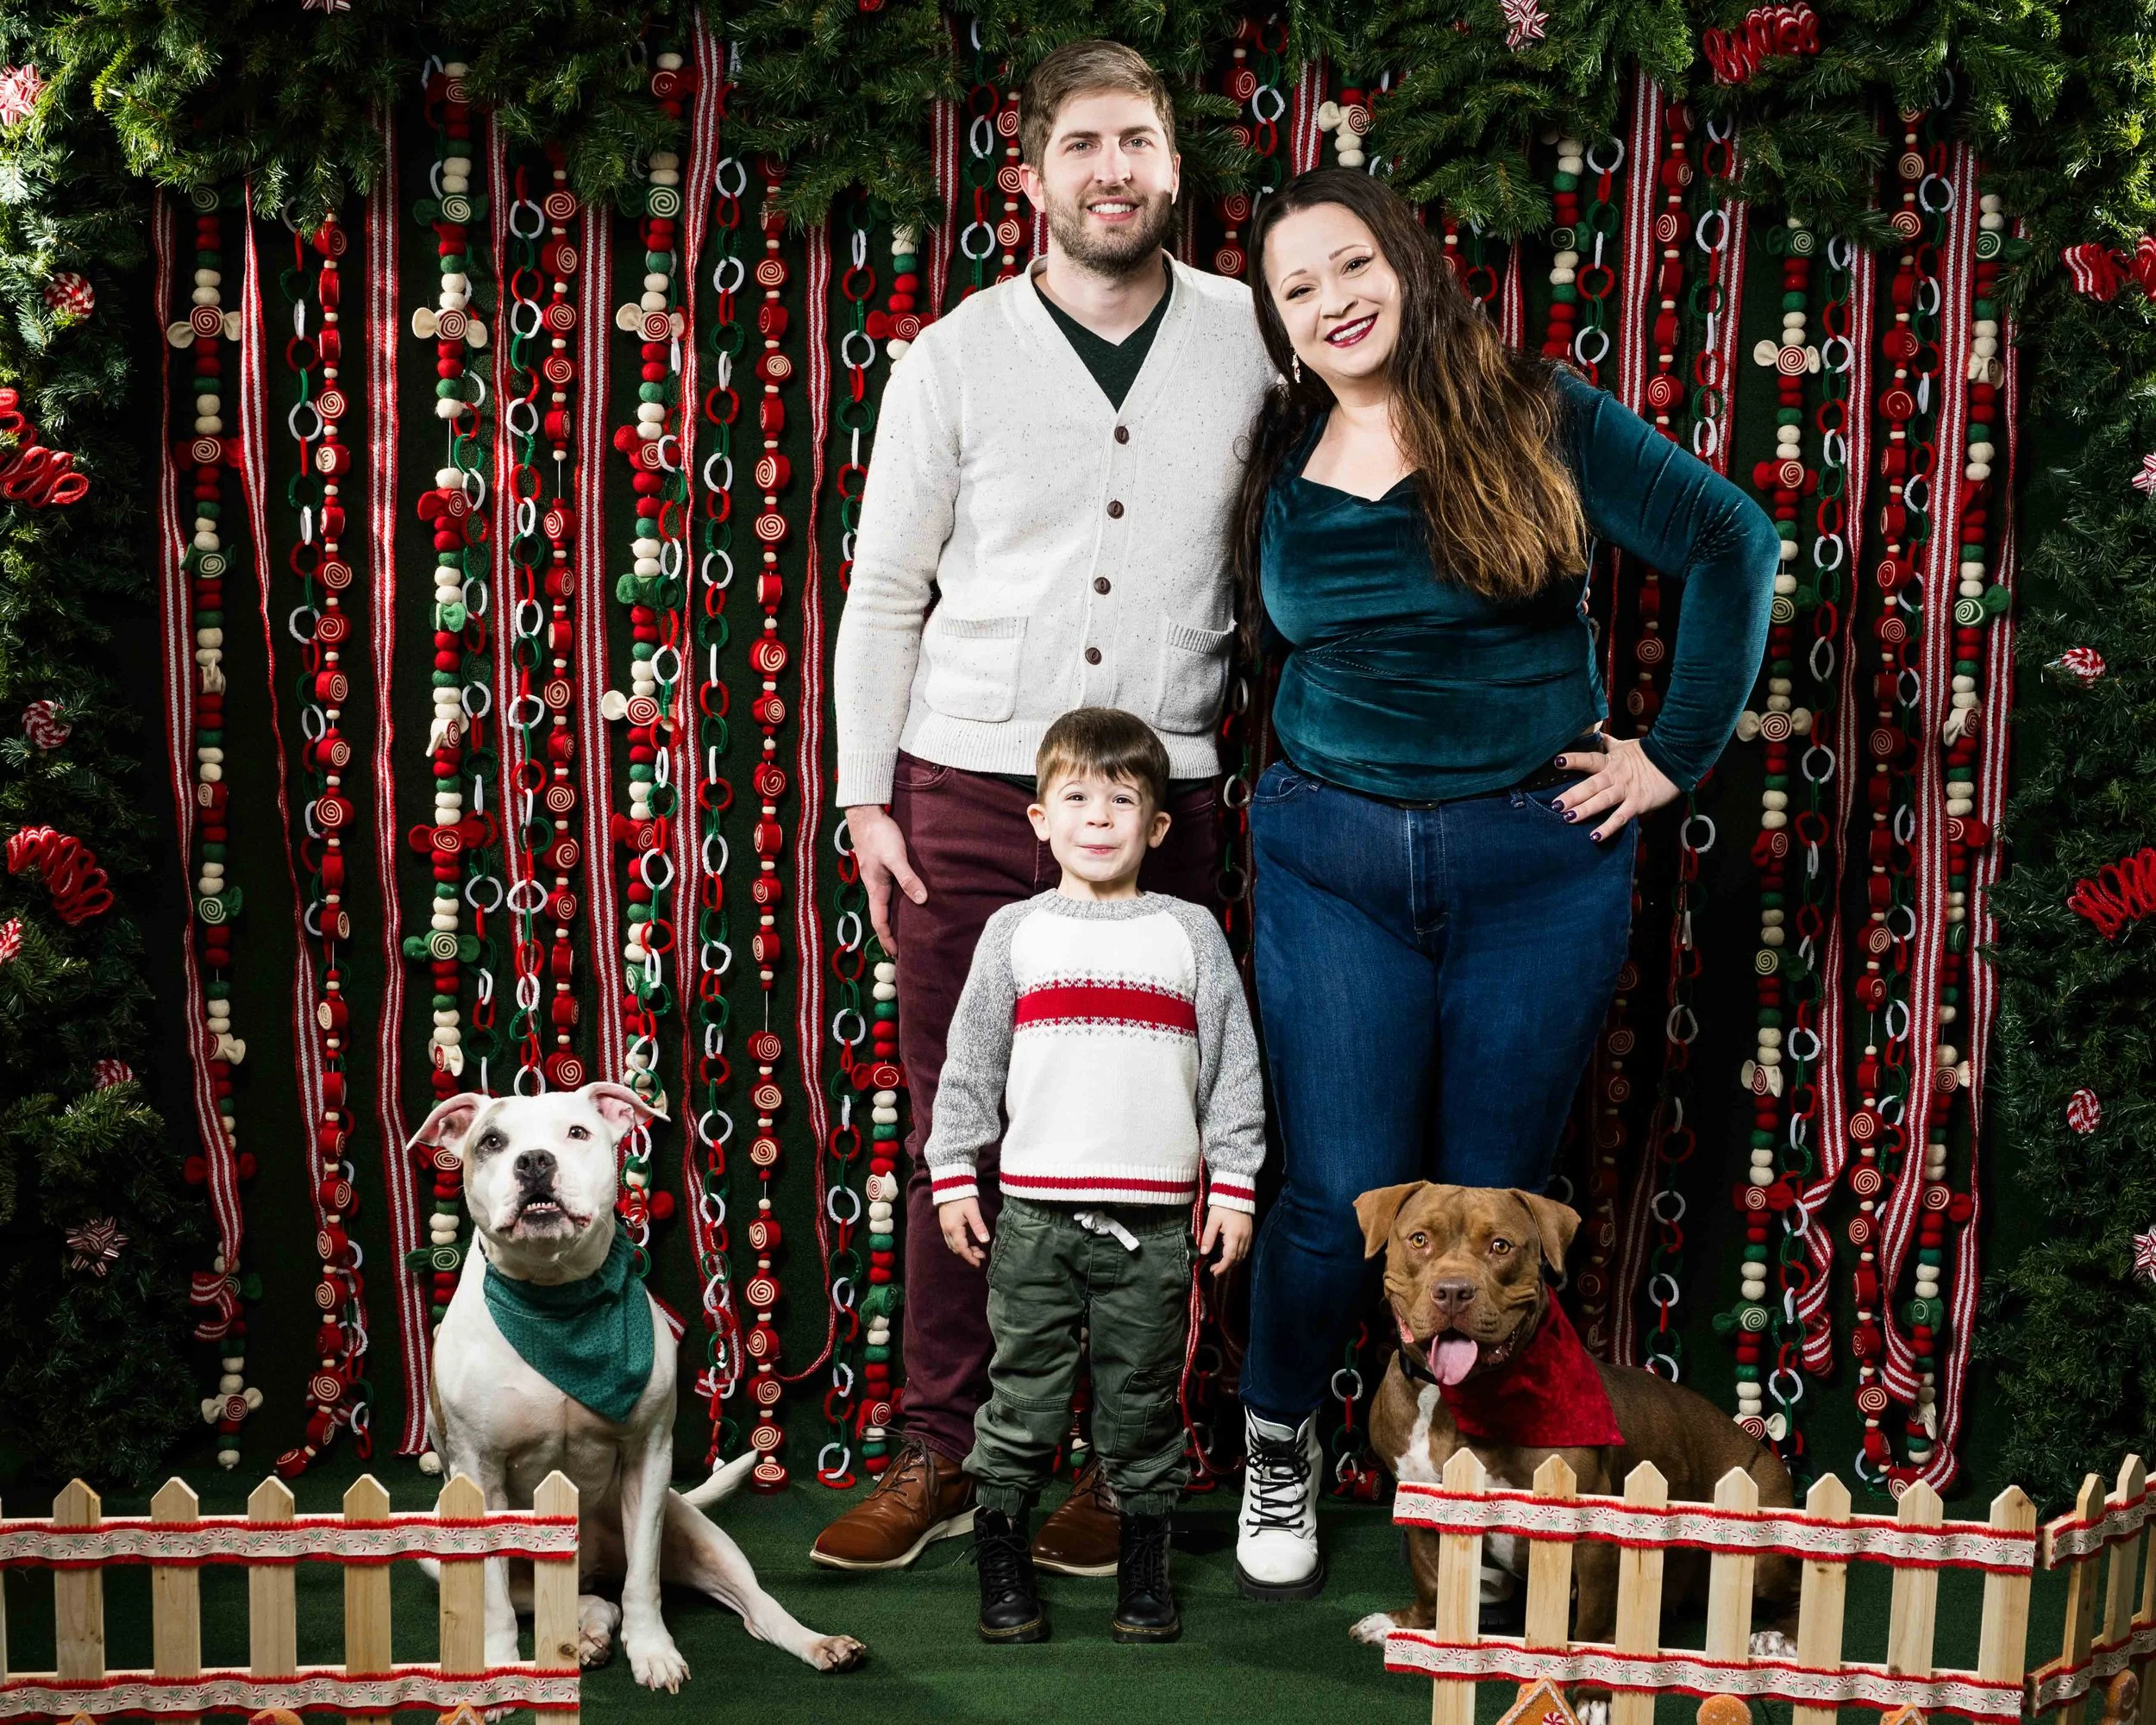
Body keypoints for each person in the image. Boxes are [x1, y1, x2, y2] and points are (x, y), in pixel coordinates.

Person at [1225, 169, 1779, 1601]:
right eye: (1299, 288)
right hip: (1332, 862)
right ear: (1279, 324)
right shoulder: (1276, 451)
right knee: (1335, 1192)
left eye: (1353, 265)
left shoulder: (1537, 412)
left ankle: (1492, 1486)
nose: (1335, 302)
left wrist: (1674, 754)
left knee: (1493, 1215)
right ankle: (1281, 1439)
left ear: (1408, 265)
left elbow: (1732, 539)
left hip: (1535, 867)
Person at [819, 39, 1275, 1576]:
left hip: (1168, 795)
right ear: (1029, 177)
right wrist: (865, 799)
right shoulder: (953, 357)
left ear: (1174, 165)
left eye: (1136, 141)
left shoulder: (1250, 336)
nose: (1111, 171)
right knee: (969, 1122)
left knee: (1157, 1120)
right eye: (1081, 145)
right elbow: (886, 591)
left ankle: (1130, 1457)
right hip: (965, 785)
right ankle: (945, 1448)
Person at [926, 708, 1263, 1644]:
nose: (1099, 817)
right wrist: (953, 1172)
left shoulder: (1188, 932)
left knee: (1142, 1407)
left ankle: (1143, 1573)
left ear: (1157, 824)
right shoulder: (1016, 931)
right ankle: (1002, 1560)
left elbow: (1233, 1069)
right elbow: (971, 1062)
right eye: (1076, 797)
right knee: (1021, 1400)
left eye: (1122, 799)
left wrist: (1235, 1183)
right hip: (1033, 1220)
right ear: (1041, 819)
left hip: (1152, 1229)